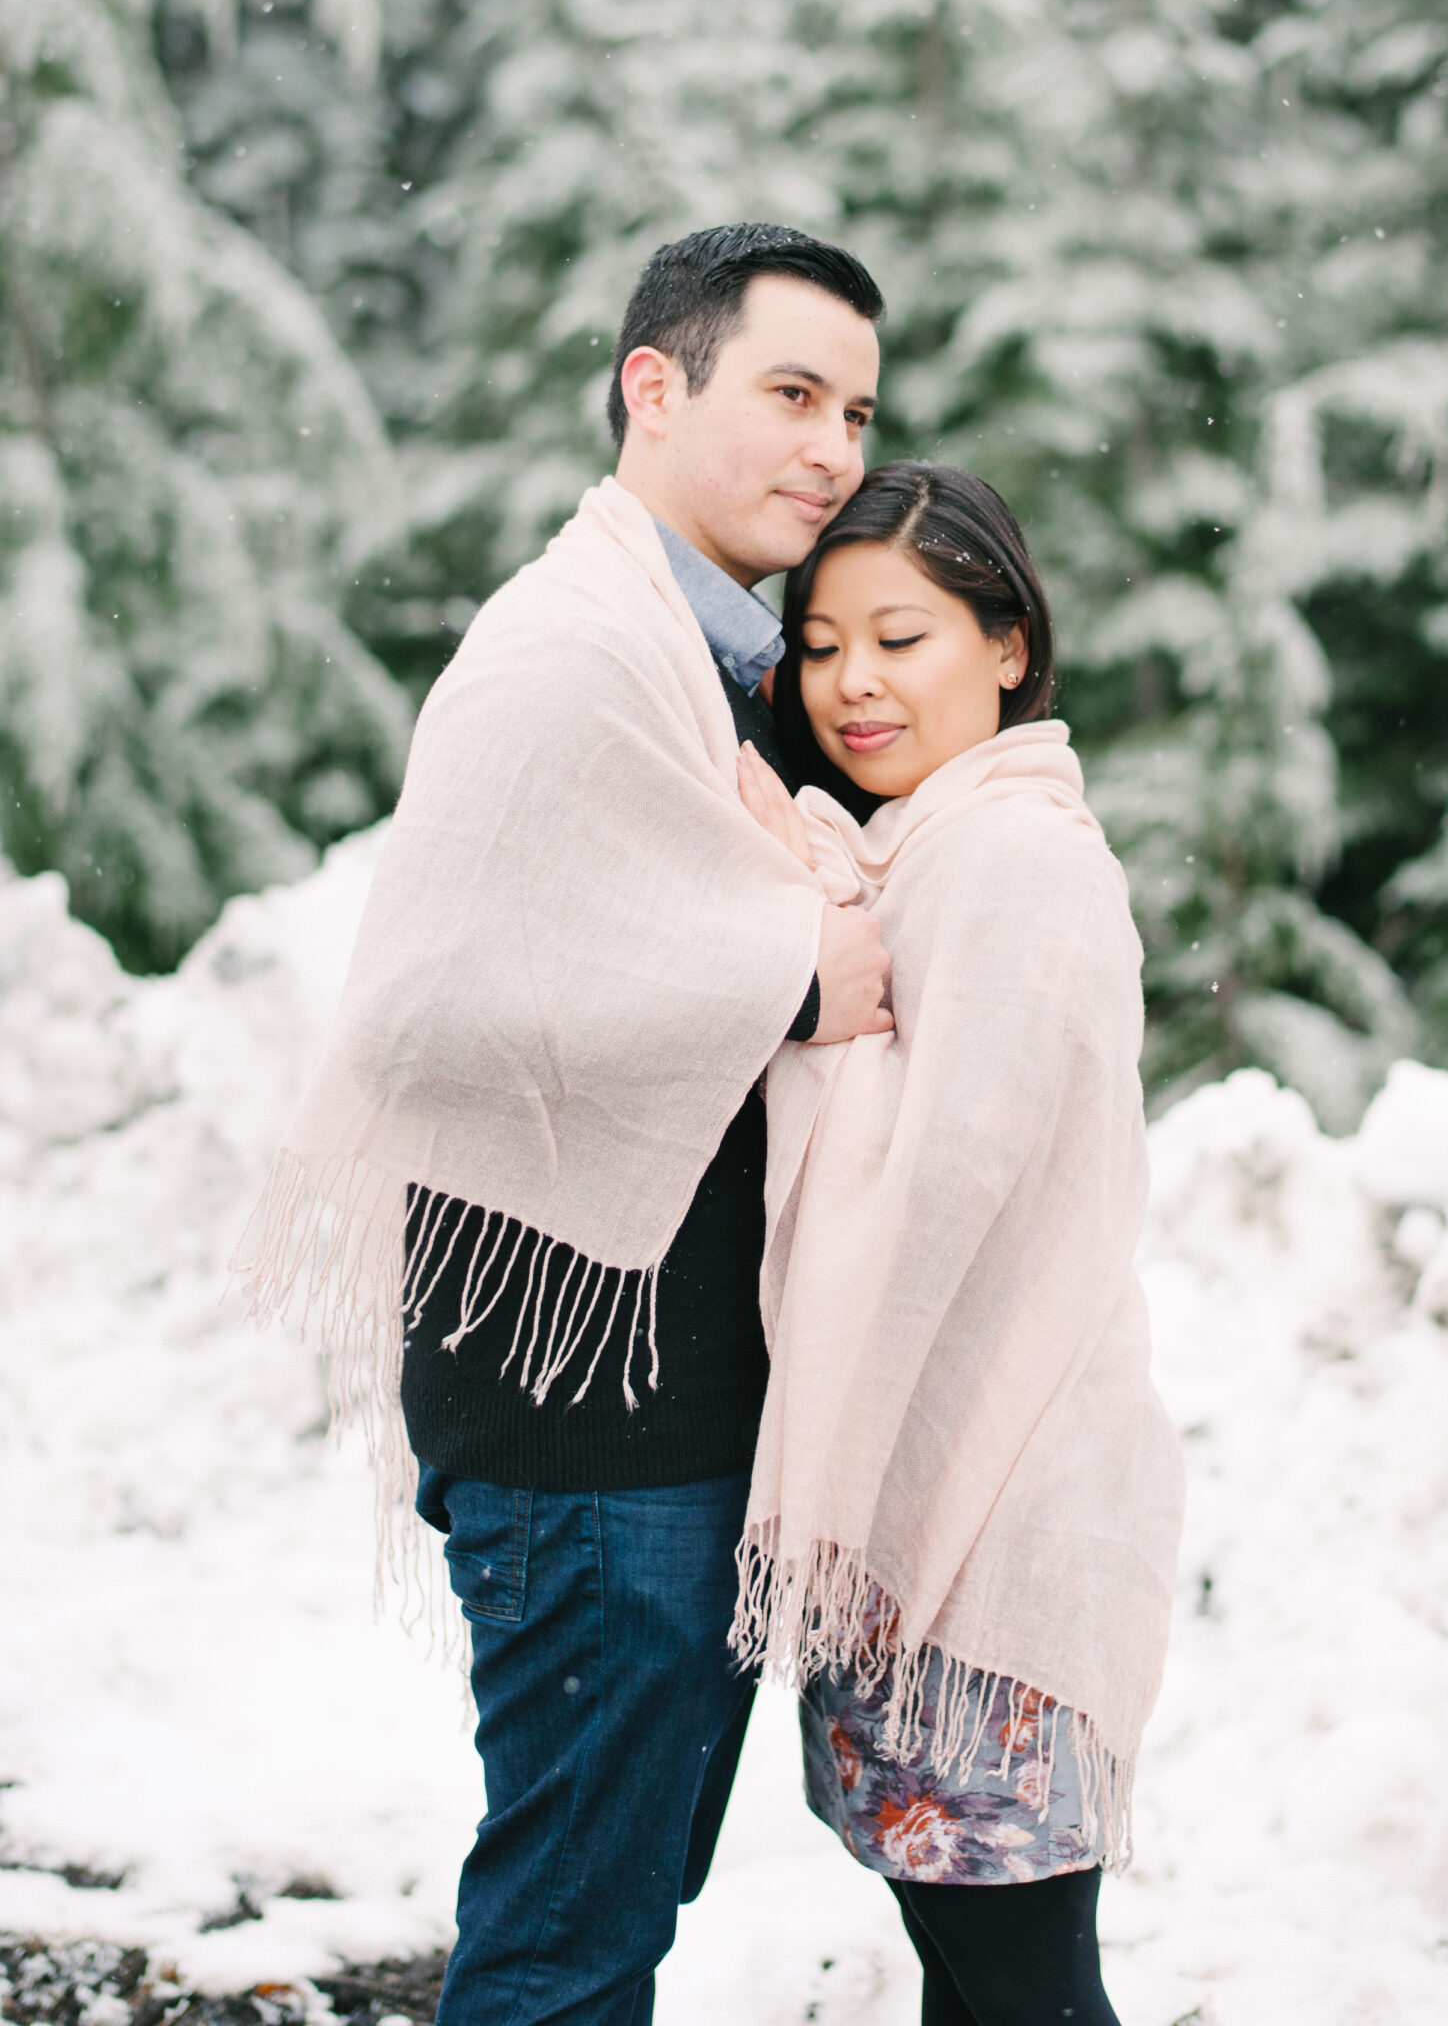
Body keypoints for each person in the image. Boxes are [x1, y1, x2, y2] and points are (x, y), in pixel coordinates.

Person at [238, 223, 896, 2026]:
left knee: (612, 1894)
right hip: (579, 1412)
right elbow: (440, 1005)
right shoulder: (570, 654)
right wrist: (799, 968)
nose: (833, 447)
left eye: (854, 407)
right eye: (788, 393)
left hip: (661, 1394)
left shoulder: (715, 659)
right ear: (654, 387)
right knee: (568, 1936)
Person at [732, 463, 1185, 2026]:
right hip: (950, 1525)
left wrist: (809, 990)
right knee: (983, 1983)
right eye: (821, 641)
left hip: (995, 1529)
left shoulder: (1011, 858)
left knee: (1024, 1992)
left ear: (1007, 645)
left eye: (902, 637)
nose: (852, 682)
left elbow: (943, 1180)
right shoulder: (921, 846)